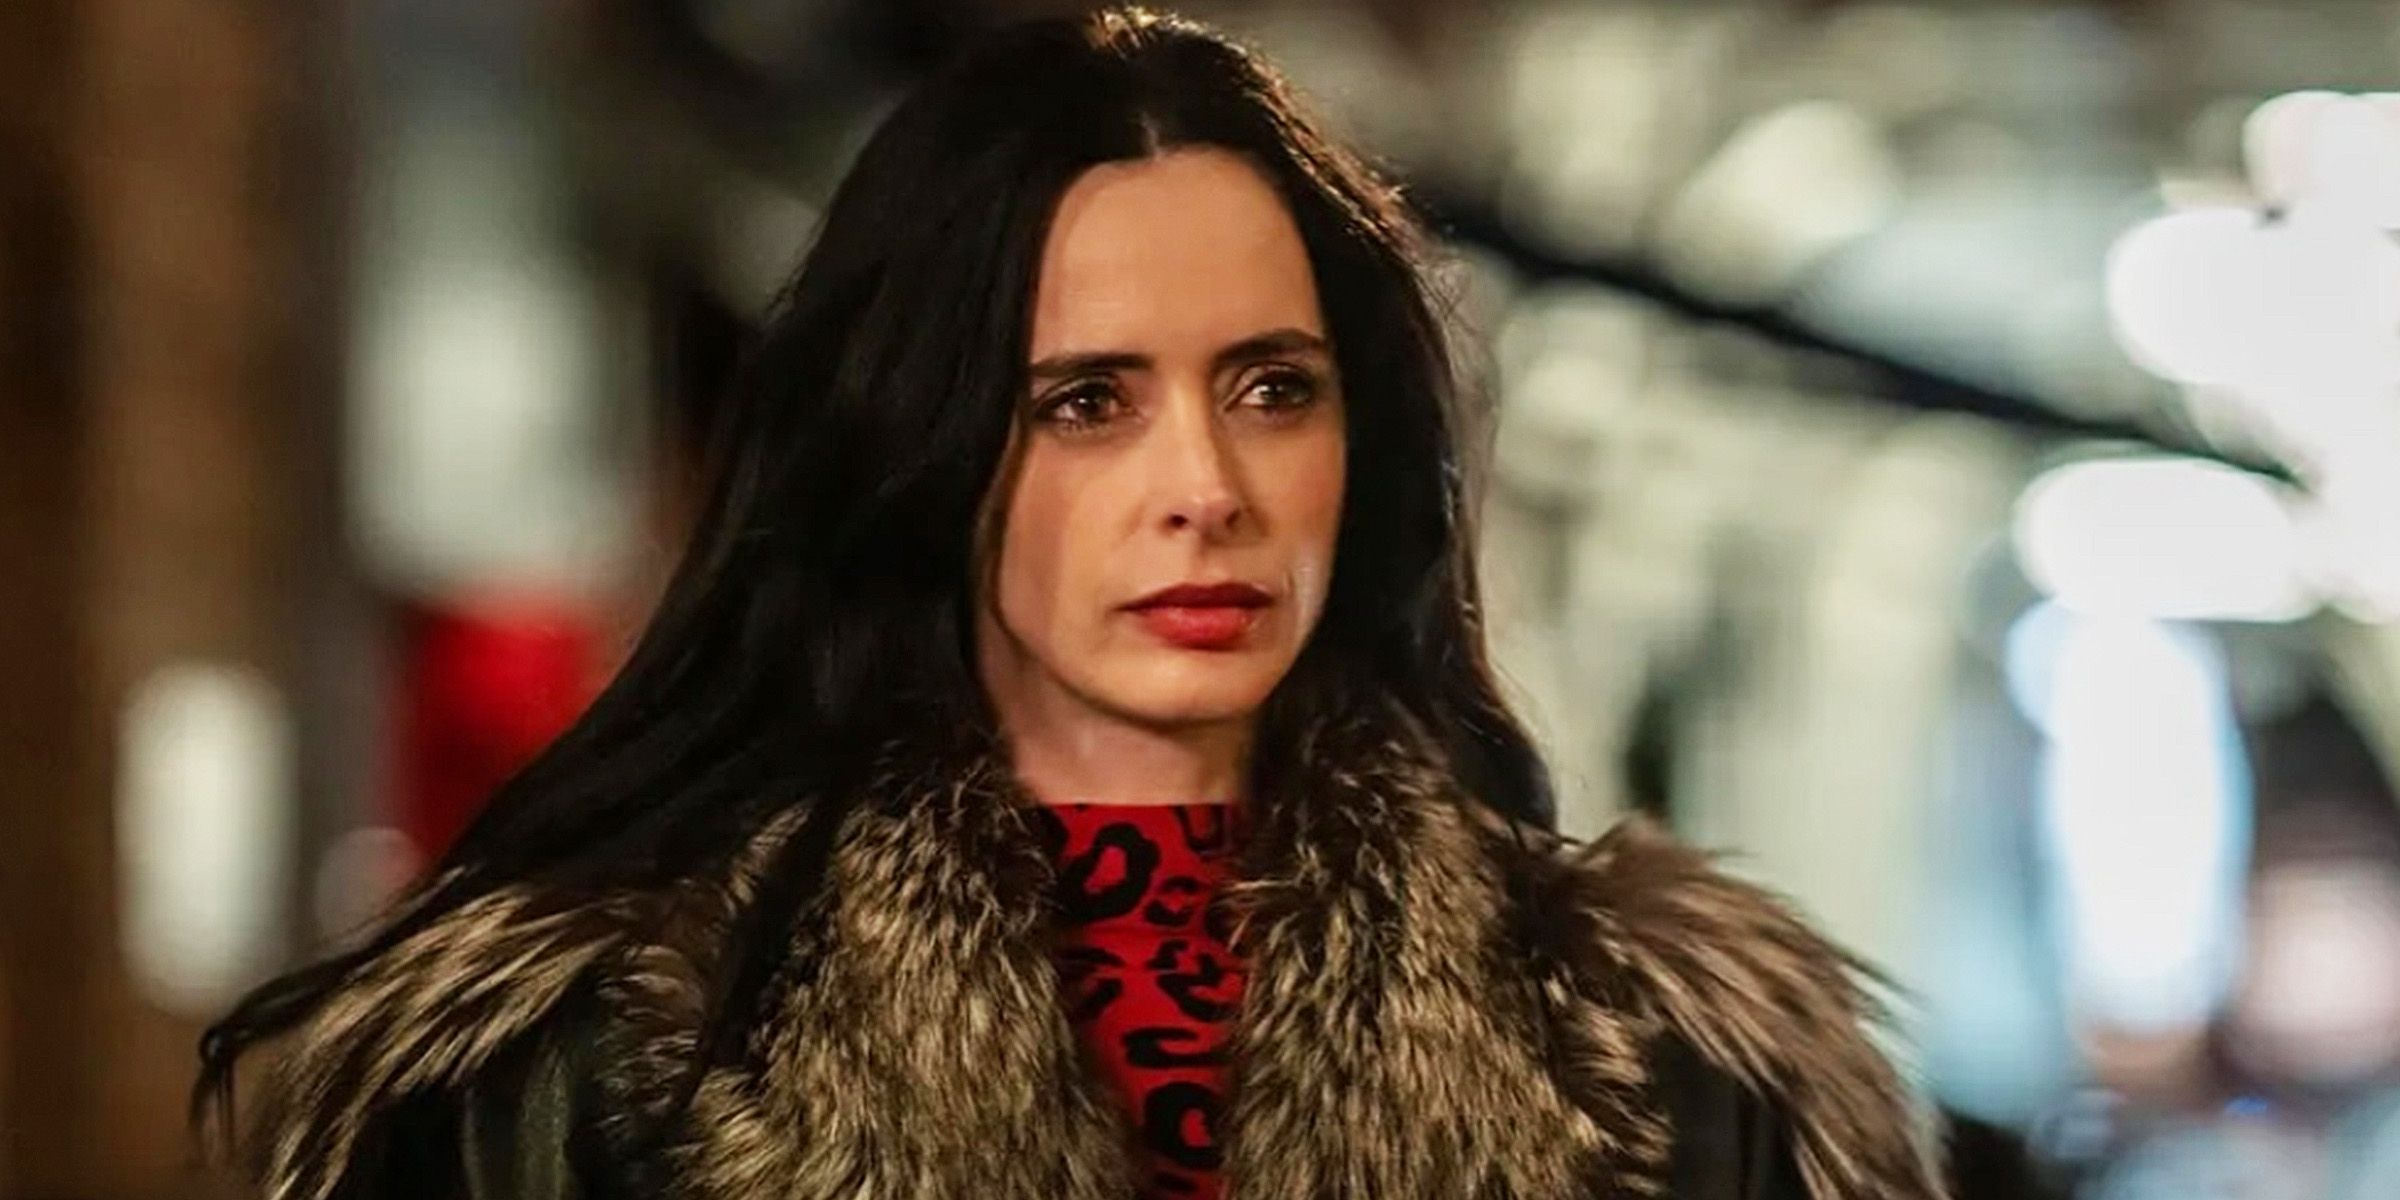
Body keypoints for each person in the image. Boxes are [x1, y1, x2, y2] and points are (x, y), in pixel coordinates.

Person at [197, 8, 1949, 1199]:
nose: (1209, 485)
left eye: (1273, 388)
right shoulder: (577, 1064)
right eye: (1087, 400)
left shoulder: (1665, 1049)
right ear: (931, 442)